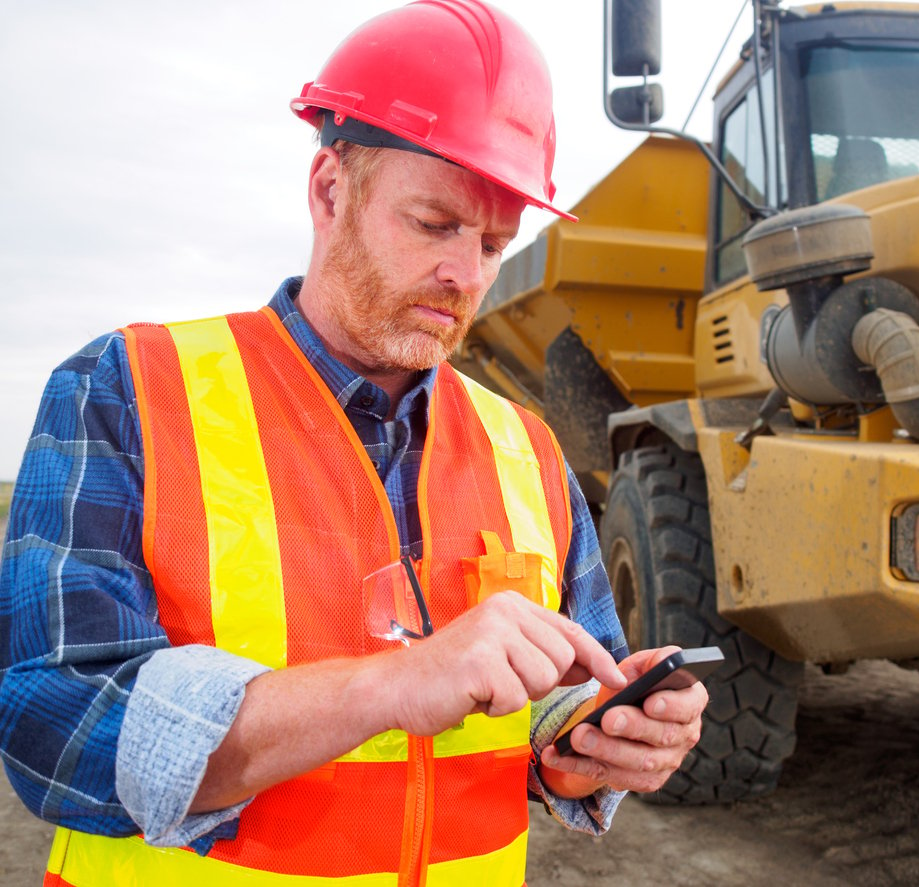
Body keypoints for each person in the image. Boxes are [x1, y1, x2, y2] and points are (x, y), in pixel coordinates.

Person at [0, 2, 708, 884]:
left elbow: (549, 715)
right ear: (330, 190)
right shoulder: (130, 390)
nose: (468, 274)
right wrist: (387, 685)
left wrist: (601, 739)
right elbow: (53, 725)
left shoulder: (523, 448)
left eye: (494, 242)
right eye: (435, 224)